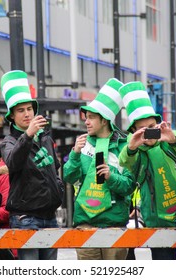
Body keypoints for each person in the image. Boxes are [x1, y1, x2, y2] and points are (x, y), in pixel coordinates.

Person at [118, 81, 176, 260]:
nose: (148, 133)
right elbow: (124, 160)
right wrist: (133, 146)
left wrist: (171, 138)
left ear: (158, 124)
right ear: (133, 131)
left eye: (151, 127)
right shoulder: (134, 150)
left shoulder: (168, 141)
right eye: (142, 129)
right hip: (157, 223)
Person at [63, 78, 135, 260]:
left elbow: (128, 185)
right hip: (84, 222)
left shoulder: (125, 146)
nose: (87, 122)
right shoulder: (82, 144)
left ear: (105, 120)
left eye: (92, 117)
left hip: (114, 223)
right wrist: (75, 153)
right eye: (86, 118)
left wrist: (111, 177)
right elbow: (69, 177)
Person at [0, 70, 64, 260]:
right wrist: (27, 135)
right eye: (21, 110)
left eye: (29, 109)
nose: (27, 114)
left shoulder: (45, 137)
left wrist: (57, 189)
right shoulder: (9, 141)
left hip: (50, 215)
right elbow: (12, 162)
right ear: (11, 116)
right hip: (26, 218)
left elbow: (55, 168)